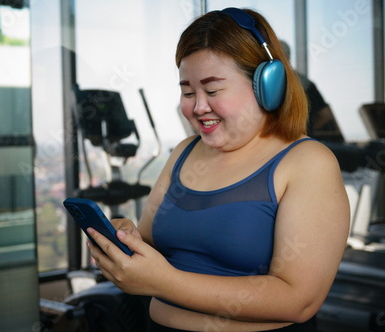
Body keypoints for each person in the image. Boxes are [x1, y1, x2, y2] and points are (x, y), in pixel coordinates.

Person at [87, 7, 350, 332]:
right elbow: (152, 245)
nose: (197, 107)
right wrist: (125, 238)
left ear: (266, 85)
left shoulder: (308, 162)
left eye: (212, 91)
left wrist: (167, 282)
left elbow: (300, 300)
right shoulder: (185, 152)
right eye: (187, 91)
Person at [279, 40, 344, 142]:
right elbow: (326, 115)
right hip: (301, 139)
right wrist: (307, 131)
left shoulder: (268, 84)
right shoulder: (306, 83)